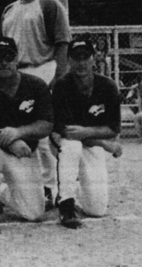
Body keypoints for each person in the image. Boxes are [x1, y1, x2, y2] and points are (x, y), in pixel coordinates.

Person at [0, 0, 71, 208]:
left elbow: (62, 42)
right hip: (15, 73)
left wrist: (59, 78)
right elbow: (1, 47)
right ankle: (24, 187)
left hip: (43, 67)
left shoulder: (48, 3)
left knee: (43, 133)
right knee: (15, 130)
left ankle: (51, 187)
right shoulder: (9, 10)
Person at [0, 37, 53, 235]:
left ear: (17, 59)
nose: (4, 62)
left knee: (34, 213)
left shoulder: (36, 85)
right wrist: (11, 140)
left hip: (23, 153)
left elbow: (46, 124)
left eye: (9, 57)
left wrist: (18, 132)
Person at [52, 38, 122, 229]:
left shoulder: (107, 86)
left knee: (97, 209)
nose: (81, 63)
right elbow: (67, 132)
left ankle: (73, 192)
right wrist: (105, 144)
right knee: (72, 146)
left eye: (85, 57)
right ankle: (66, 204)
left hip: (92, 144)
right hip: (65, 145)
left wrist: (89, 133)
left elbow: (113, 128)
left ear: (93, 59)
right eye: (76, 58)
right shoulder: (61, 86)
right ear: (68, 60)